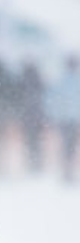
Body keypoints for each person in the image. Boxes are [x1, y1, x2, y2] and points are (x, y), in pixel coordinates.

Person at [45, 54, 80, 182]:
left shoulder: (60, 81)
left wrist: (53, 117)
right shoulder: (76, 81)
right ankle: (68, 171)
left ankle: (67, 171)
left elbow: (52, 101)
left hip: (64, 119)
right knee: (71, 146)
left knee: (66, 145)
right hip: (73, 119)